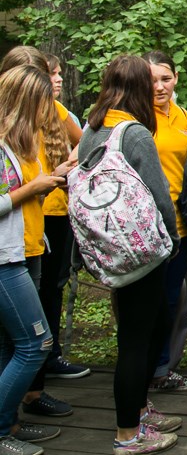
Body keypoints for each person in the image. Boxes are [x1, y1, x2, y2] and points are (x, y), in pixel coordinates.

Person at [78, 56, 183, 455]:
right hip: (142, 249)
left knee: (147, 327)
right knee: (136, 341)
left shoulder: (93, 127)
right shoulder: (134, 133)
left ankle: (139, 412)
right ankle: (127, 435)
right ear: (138, 87)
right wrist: (171, 239)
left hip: (111, 246)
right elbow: (159, 196)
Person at [0, 47, 80, 419]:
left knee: (12, 344)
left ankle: (10, 426)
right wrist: (33, 189)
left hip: (26, 245)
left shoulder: (16, 144)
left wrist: (54, 176)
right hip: (7, 257)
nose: (43, 113)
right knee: (34, 342)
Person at [142, 51, 187, 393]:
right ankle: (144, 368)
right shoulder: (138, 118)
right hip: (148, 227)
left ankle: (162, 367)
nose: (160, 86)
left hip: (182, 225)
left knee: (171, 300)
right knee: (148, 302)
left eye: (166, 78)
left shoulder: (181, 115)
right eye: (152, 80)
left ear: (176, 78)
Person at [39, 54, 90, 381]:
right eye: (52, 74)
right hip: (29, 211)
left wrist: (67, 167)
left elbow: (85, 141)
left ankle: (50, 354)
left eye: (59, 74)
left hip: (57, 211)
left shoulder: (57, 111)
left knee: (53, 286)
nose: (58, 79)